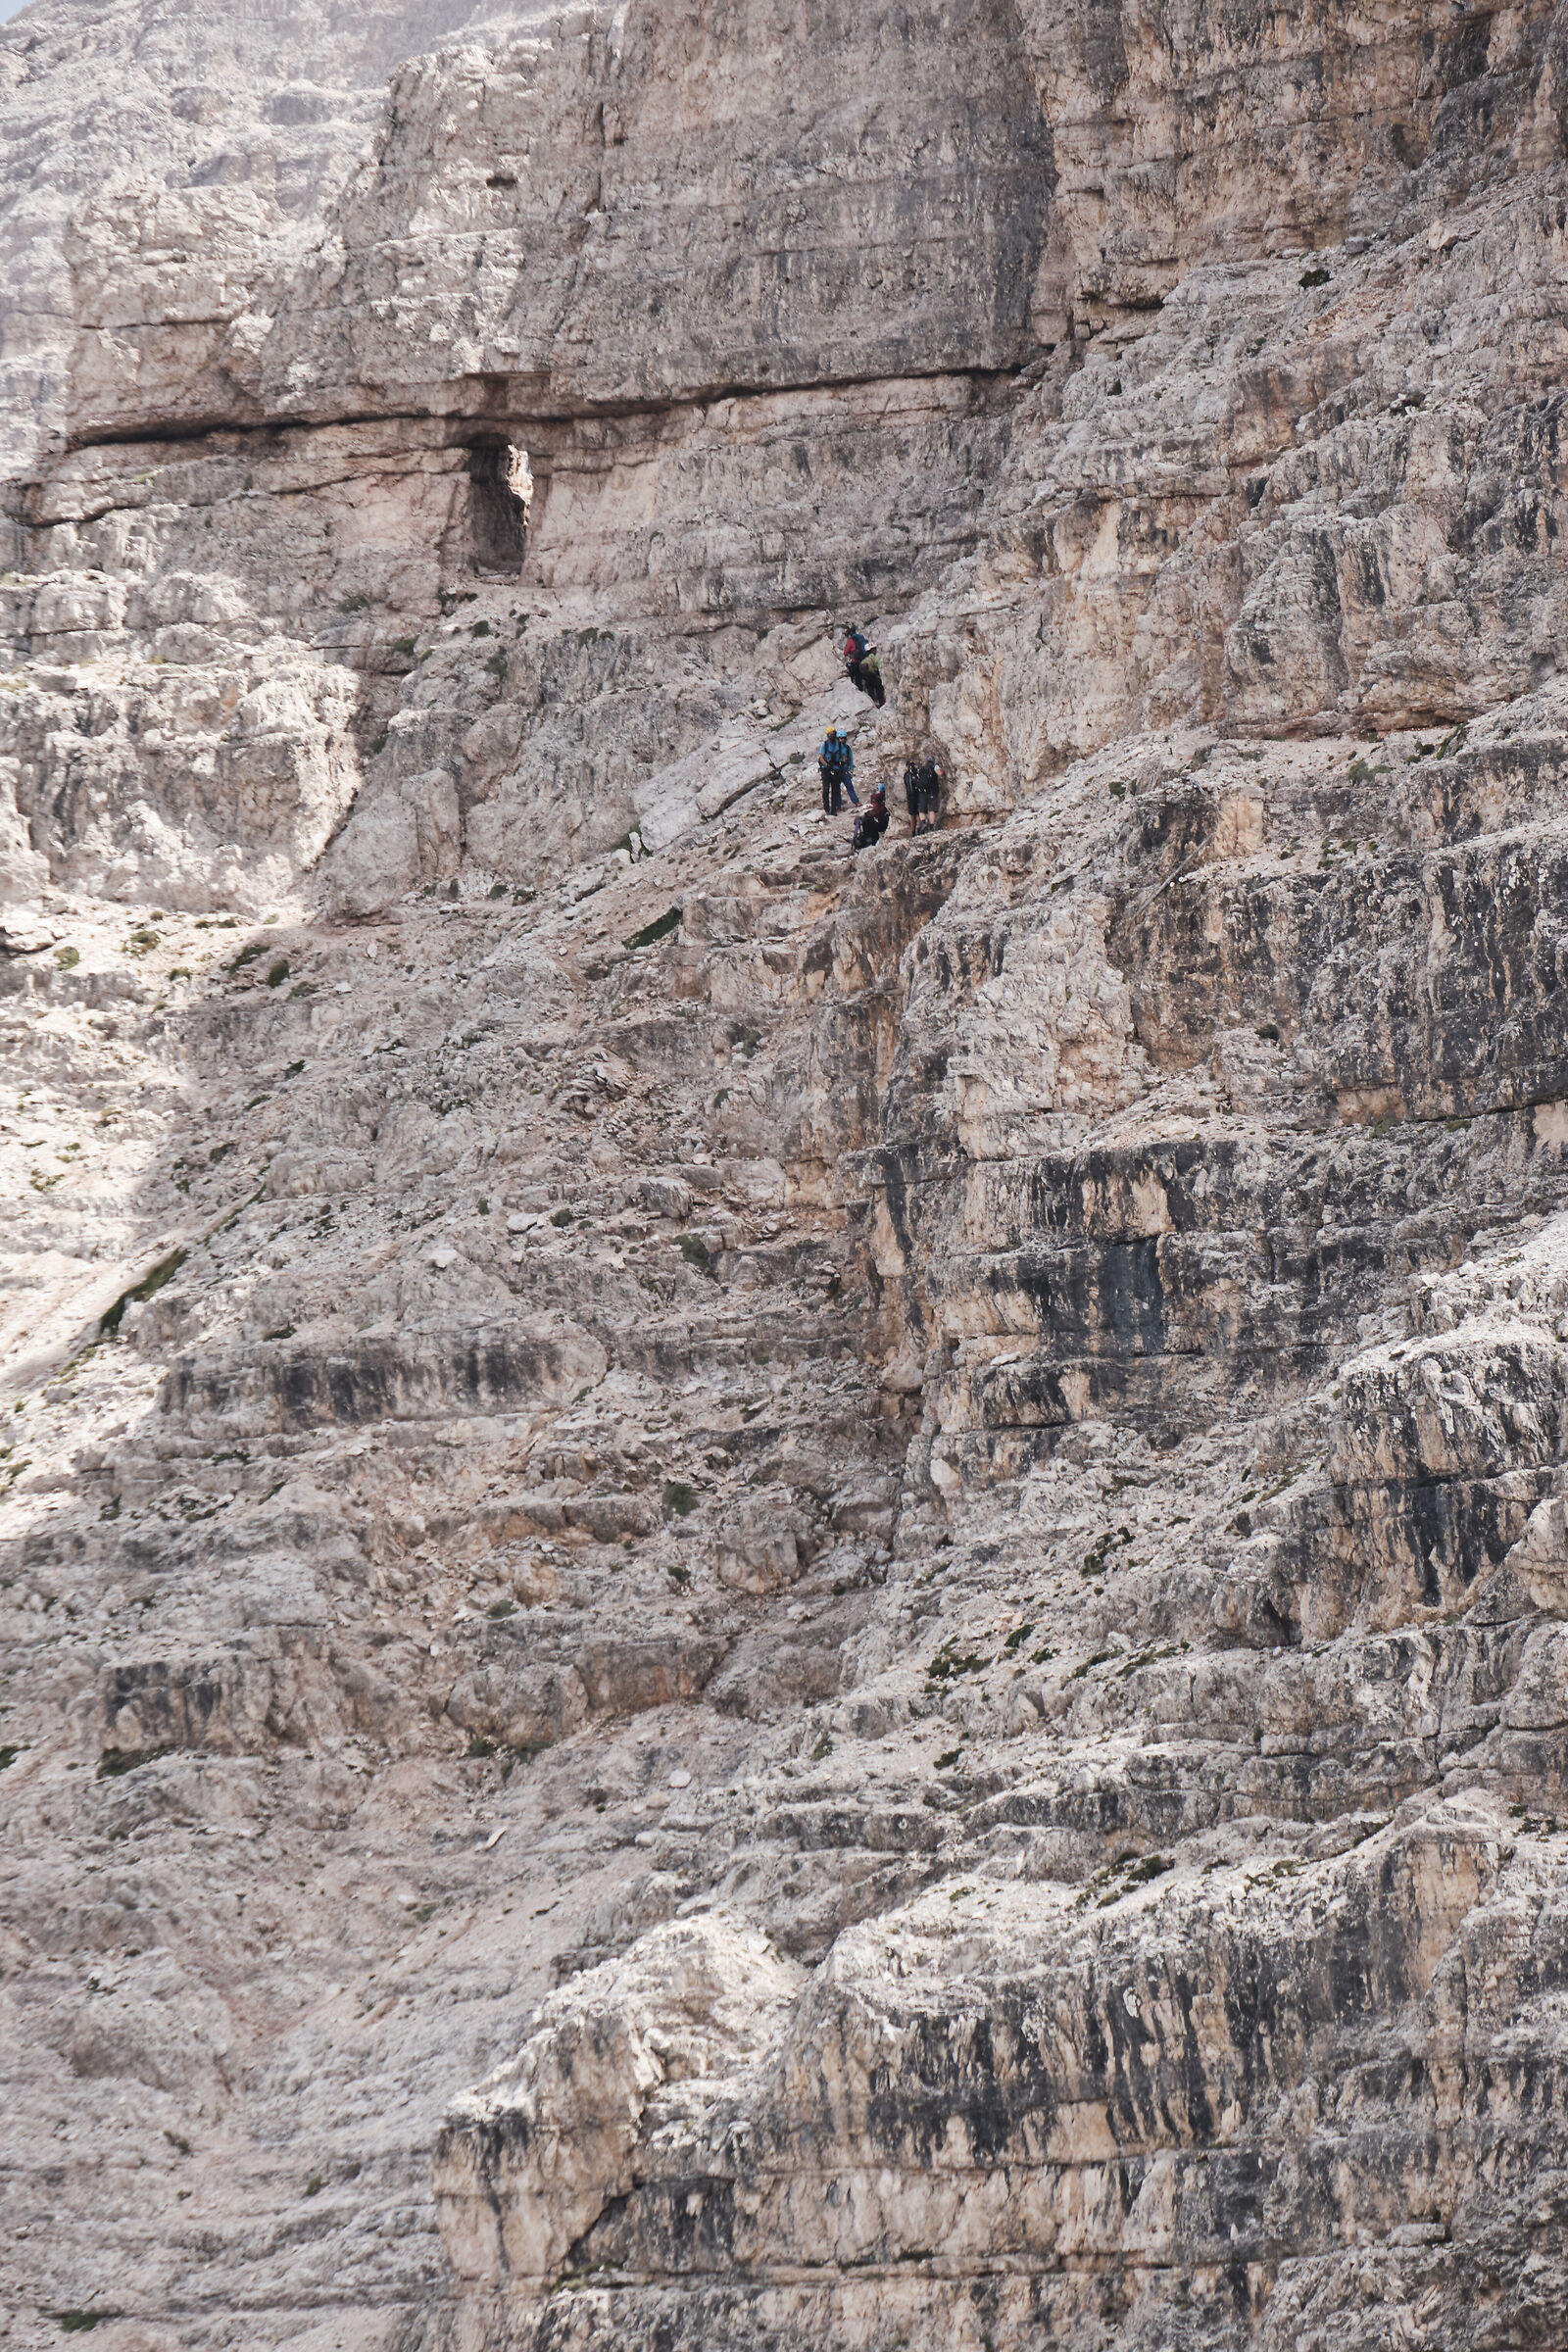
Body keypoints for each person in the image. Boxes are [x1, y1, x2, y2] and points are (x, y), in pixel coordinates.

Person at [817, 726, 858, 813]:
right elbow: (821, 757)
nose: (842, 739)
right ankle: (832, 807)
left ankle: (839, 807)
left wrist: (848, 767)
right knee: (828, 789)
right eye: (840, 738)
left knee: (840, 787)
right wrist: (827, 765)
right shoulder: (826, 744)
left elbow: (847, 758)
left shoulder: (844, 748)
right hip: (828, 769)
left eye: (843, 738)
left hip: (838, 769)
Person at [852, 784, 889, 852]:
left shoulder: (865, 819)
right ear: (869, 812)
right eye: (873, 810)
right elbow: (880, 828)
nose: (875, 812)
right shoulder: (869, 821)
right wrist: (884, 820)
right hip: (871, 840)